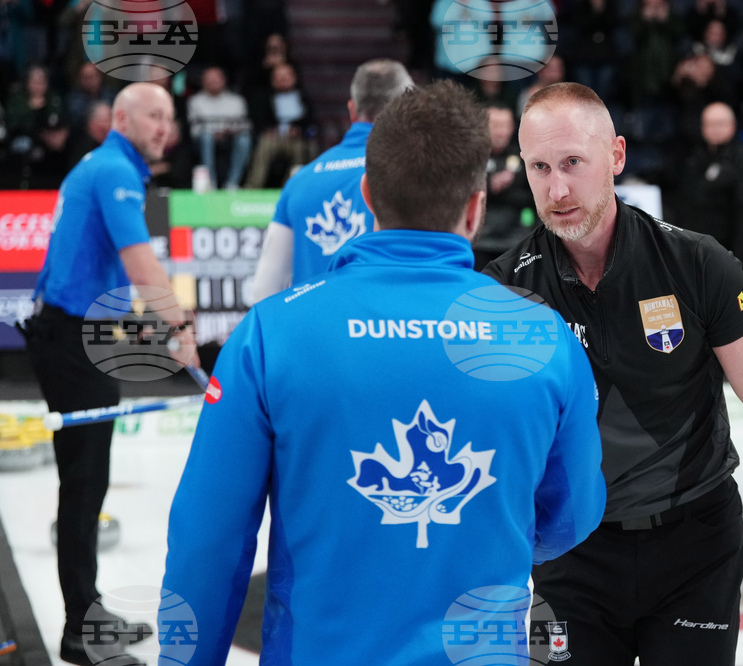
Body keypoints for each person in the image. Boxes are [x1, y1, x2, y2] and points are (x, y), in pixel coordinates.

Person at [160, 80, 606, 665]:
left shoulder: (271, 335)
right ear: (476, 207)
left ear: (367, 195)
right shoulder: (544, 339)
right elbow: (573, 514)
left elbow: (207, 541)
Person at [483, 82, 743, 665]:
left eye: (573, 163)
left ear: (615, 156)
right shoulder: (505, 291)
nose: (556, 190)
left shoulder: (696, 264)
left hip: (696, 547)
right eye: (539, 168)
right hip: (572, 555)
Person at [17, 82, 199, 665]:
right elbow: (140, 260)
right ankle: (79, 629)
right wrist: (179, 327)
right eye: (153, 115)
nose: (163, 126)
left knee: (88, 481)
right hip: (70, 339)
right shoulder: (114, 170)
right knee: (85, 481)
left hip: (77, 333)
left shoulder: (104, 167)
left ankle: (87, 610)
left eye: (169, 117)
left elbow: (107, 266)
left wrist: (140, 324)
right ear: (121, 117)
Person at [251, 58, 413, 302]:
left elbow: (264, 291)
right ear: (406, 107)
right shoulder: (414, 173)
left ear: (351, 109)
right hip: (385, 330)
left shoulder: (300, 181)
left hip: (314, 332)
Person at [680, 102, 743, 256]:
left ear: (732, 126)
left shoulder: (741, 158)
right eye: (709, 124)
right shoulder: (695, 157)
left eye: (720, 124)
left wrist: (738, 255)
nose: (714, 129)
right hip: (695, 248)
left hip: (726, 249)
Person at [472, 104, 538, 270]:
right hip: (480, 242)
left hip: (515, 241)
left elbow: (534, 197)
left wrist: (505, 191)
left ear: (512, 128)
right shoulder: (471, 159)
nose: (501, 132)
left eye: (505, 126)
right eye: (495, 125)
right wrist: (490, 185)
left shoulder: (525, 158)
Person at [244, 62, 318, 188]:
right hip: (273, 138)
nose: (283, 79)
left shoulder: (303, 97)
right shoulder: (264, 97)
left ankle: (291, 188)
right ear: (272, 80)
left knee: (303, 150)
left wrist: (299, 130)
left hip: (296, 140)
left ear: (294, 77)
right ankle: (252, 188)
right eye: (279, 76)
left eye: (286, 76)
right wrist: (269, 129)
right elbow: (258, 120)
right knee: (264, 145)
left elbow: (311, 122)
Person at [187, 66, 252, 190]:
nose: (213, 82)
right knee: (206, 137)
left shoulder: (236, 101)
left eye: (216, 78)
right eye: (209, 79)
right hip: (205, 138)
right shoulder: (195, 101)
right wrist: (213, 132)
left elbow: (245, 125)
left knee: (245, 139)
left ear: (224, 80)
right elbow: (194, 129)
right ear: (203, 81)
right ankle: (210, 183)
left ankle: (233, 183)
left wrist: (229, 131)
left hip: (231, 137)